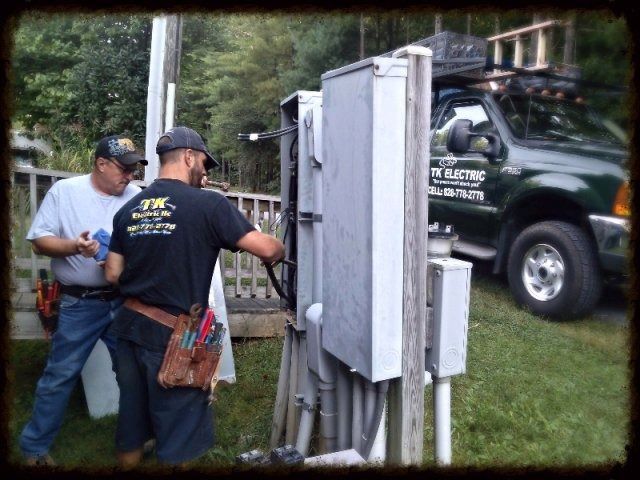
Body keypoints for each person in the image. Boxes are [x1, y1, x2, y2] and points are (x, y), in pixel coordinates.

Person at [105, 126, 284, 469]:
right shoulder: (209, 204)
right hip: (173, 337)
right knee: (179, 432)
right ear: (189, 156)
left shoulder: (130, 209)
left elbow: (113, 273)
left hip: (127, 328)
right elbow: (264, 248)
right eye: (203, 162)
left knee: (132, 417)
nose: (205, 171)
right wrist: (279, 246)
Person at [19, 135, 148, 466]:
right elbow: (40, 242)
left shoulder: (137, 198)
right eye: (124, 168)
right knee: (60, 374)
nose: (130, 176)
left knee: (133, 373)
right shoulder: (66, 192)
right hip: (80, 303)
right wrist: (74, 247)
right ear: (101, 164)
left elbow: (148, 248)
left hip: (124, 301)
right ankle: (34, 449)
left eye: (134, 169)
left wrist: (122, 263)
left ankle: (138, 437)